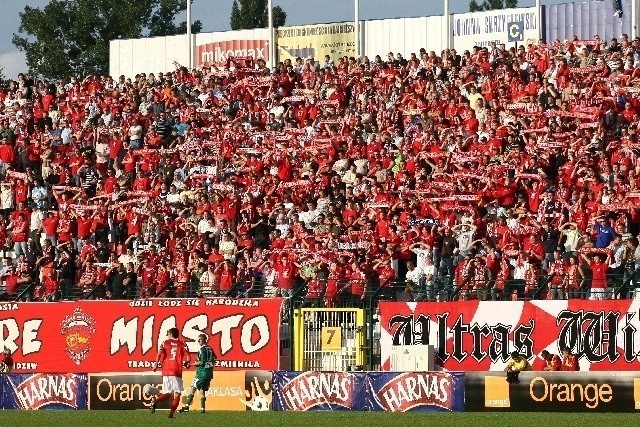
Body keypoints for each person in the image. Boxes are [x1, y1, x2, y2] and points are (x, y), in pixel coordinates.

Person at [150, 327, 191, 418]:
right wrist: (187, 363)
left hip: (165, 372)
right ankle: (171, 414)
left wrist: (156, 365)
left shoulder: (164, 343)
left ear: (171, 334)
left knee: (167, 394)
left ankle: (155, 401)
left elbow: (159, 354)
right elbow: (188, 357)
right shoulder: (182, 344)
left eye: (168, 334)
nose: (167, 336)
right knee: (177, 393)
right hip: (176, 371)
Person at [179, 333, 217, 413]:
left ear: (205, 340)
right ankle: (203, 409)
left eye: (200, 339)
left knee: (193, 388)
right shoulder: (210, 348)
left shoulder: (202, 349)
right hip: (209, 373)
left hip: (202, 373)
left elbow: (202, 362)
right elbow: (214, 358)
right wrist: (209, 365)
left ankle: (186, 407)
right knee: (202, 390)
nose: (198, 341)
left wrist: (191, 364)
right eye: (198, 339)